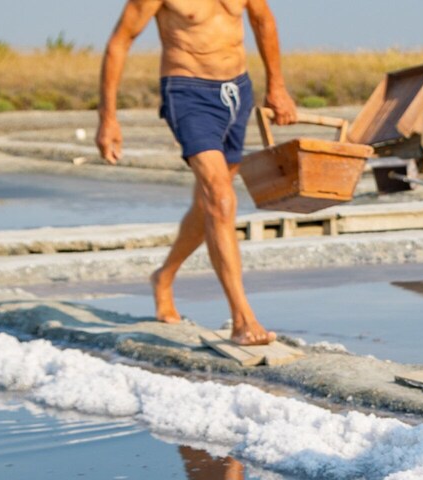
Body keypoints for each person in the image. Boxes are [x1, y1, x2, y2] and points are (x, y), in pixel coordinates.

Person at [96, 0, 300, 345]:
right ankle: (242, 319)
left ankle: (164, 276)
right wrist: (108, 118)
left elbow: (263, 20)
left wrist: (277, 86)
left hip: (237, 91)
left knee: (211, 204)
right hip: (188, 93)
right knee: (221, 199)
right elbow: (120, 41)